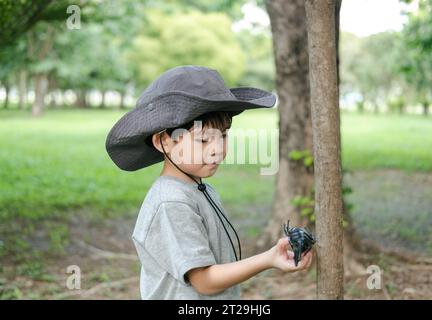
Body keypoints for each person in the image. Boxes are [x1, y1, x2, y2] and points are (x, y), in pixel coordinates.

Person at [105, 65, 313, 299]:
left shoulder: (199, 189)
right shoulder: (171, 203)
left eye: (222, 136)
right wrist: (268, 258)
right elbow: (204, 282)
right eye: (203, 140)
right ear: (163, 140)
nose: (217, 150)